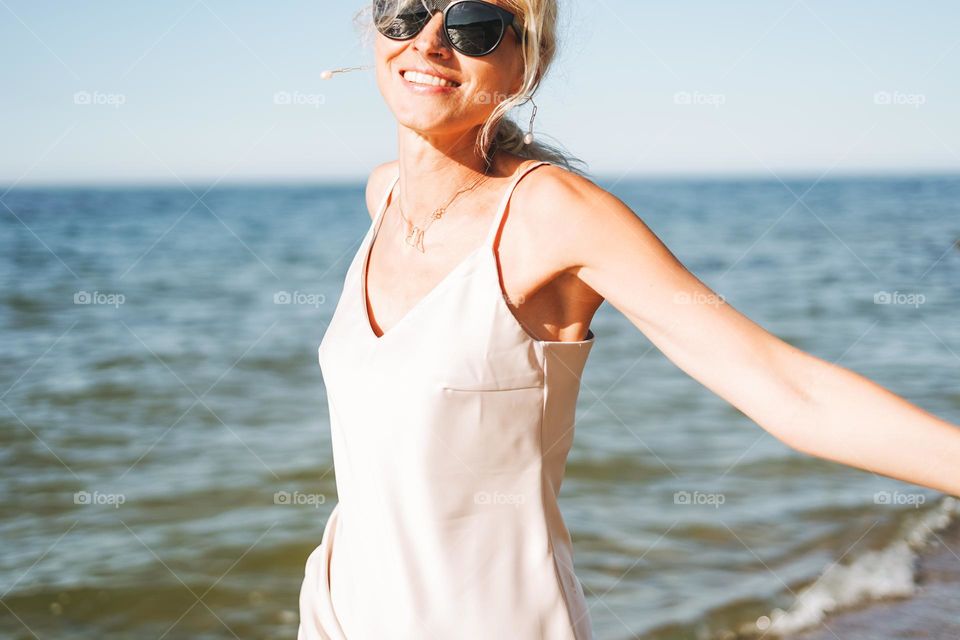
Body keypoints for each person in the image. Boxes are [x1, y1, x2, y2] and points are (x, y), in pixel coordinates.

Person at [298, 1, 960, 638]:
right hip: (336, 614)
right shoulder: (383, 194)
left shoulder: (551, 215)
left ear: (527, 65)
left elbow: (790, 390)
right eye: (406, 11)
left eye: (475, 25)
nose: (429, 40)